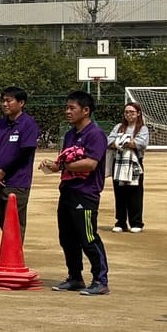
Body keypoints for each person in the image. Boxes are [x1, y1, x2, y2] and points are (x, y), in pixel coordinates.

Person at [41, 90, 109, 296]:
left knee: (87, 237)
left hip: (85, 193)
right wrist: (55, 165)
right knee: (67, 237)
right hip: (68, 191)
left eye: (72, 108)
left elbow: (90, 163)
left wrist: (61, 166)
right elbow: (66, 160)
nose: (67, 112)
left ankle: (100, 280)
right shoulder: (70, 134)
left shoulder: (95, 134)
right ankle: (75, 277)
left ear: (86, 111)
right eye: (67, 108)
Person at [0, 86, 40, 237]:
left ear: (21, 103)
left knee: (15, 224)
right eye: (3, 101)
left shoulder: (28, 124)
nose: (4, 104)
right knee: (3, 221)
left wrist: (4, 172)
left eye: (9, 101)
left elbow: (25, 153)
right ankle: (9, 255)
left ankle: (14, 258)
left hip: (17, 183)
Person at [108, 101, 151, 233]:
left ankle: (136, 222)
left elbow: (140, 143)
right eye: (126, 112)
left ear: (138, 113)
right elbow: (109, 141)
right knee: (119, 193)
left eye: (132, 112)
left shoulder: (143, 129)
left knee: (135, 193)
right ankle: (120, 222)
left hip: (134, 163)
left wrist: (123, 142)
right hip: (119, 162)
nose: (129, 115)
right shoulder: (118, 127)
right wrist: (121, 142)